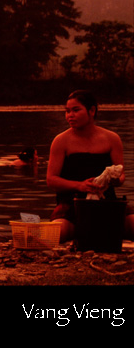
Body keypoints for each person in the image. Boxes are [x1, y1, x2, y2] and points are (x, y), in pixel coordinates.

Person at [47, 90, 134, 243]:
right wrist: (80, 186)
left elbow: (121, 175)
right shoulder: (61, 141)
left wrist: (114, 180)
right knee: (54, 234)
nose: (70, 116)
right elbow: (51, 180)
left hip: (107, 203)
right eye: (67, 111)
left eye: (76, 110)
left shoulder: (111, 139)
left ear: (92, 111)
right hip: (72, 206)